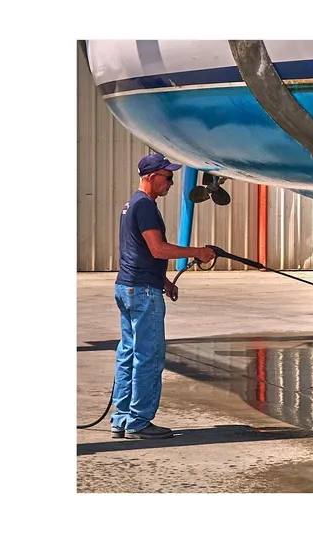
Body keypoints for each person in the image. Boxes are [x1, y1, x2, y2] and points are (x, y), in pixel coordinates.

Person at [111, 153, 216, 439]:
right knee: (149, 356)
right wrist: (197, 252)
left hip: (129, 287)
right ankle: (139, 422)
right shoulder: (145, 206)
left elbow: (138, 252)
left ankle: (121, 418)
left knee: (128, 354)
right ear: (150, 176)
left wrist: (164, 280)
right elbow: (157, 249)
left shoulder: (132, 205)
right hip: (143, 293)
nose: (171, 182)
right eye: (167, 177)